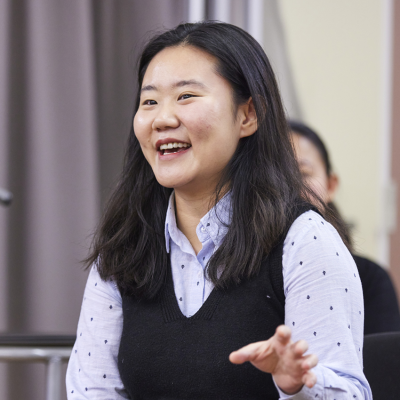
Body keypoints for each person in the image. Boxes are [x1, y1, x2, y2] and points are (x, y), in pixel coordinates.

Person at [66, 22, 372, 399]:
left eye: (187, 96)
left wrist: (298, 386)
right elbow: (92, 390)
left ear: (248, 115)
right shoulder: (124, 245)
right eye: (149, 101)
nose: (162, 118)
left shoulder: (305, 241)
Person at [289, 120, 400, 335]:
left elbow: (383, 364)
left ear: (331, 185)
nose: (289, 186)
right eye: (276, 174)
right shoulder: (239, 276)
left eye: (303, 173)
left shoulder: (370, 279)